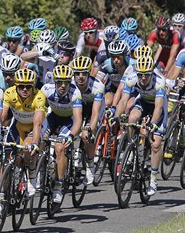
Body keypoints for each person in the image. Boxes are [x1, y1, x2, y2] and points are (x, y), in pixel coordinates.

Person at [115, 55, 167, 194]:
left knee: (156, 144)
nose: (143, 78)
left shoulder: (159, 81)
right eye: (140, 75)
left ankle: (153, 179)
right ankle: (131, 148)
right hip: (143, 102)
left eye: (146, 75)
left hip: (157, 107)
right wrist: (116, 116)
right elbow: (123, 101)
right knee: (131, 118)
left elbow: (158, 108)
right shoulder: (131, 78)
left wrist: (154, 124)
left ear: (152, 73)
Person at [40, 65, 83, 203]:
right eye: (59, 82)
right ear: (55, 81)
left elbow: (78, 120)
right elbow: (39, 113)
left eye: (66, 82)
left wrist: (71, 136)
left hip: (68, 121)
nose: (63, 86)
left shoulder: (75, 93)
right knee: (40, 141)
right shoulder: (46, 89)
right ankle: (38, 172)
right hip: (52, 117)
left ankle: (58, 184)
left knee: (60, 147)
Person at [1, 68, 45, 196]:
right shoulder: (9, 93)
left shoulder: (39, 96)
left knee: (27, 148)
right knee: (6, 158)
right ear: (16, 86)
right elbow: (2, 117)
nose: (24, 89)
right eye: (21, 86)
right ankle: (3, 195)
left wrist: (35, 143)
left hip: (33, 126)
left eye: (28, 86)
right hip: (19, 125)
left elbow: (37, 124)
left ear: (33, 86)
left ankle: (32, 173)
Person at [71, 56, 105, 185]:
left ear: (89, 73)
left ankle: (91, 165)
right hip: (78, 108)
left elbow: (95, 113)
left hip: (94, 109)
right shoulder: (70, 84)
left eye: (84, 73)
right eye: (77, 73)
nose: (80, 76)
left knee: (87, 136)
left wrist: (90, 128)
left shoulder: (97, 86)